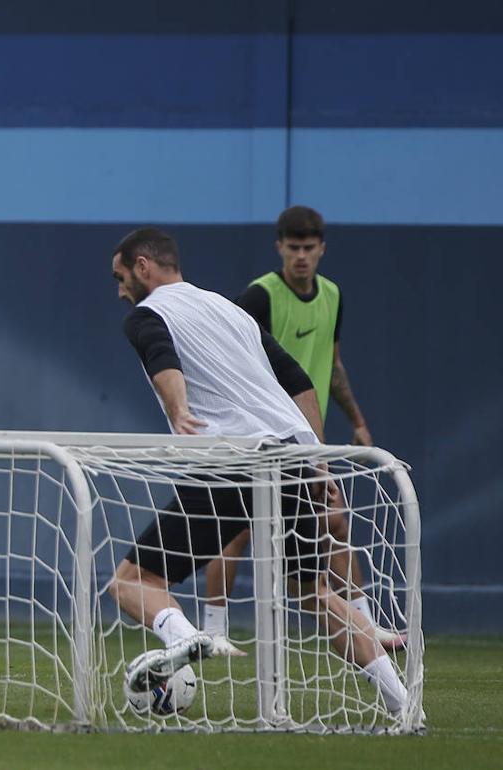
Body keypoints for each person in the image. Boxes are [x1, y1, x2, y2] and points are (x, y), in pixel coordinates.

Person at [106, 228, 408, 717]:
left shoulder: (147, 314)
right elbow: (297, 379)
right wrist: (318, 458)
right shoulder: (231, 309)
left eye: (121, 278)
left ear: (143, 267)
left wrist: (179, 410)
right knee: (315, 591)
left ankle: (186, 638)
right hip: (291, 460)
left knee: (130, 580)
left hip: (233, 462)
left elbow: (162, 357)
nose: (120, 291)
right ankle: (403, 705)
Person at [200, 206, 402, 649]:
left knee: (337, 525)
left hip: (307, 439)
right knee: (236, 529)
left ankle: (365, 625)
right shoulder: (260, 298)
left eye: (309, 248)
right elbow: (230, 365)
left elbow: (332, 366)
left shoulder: (333, 295)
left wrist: (359, 421)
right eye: (293, 248)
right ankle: (213, 630)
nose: (301, 256)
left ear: (322, 249)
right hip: (259, 436)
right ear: (280, 248)